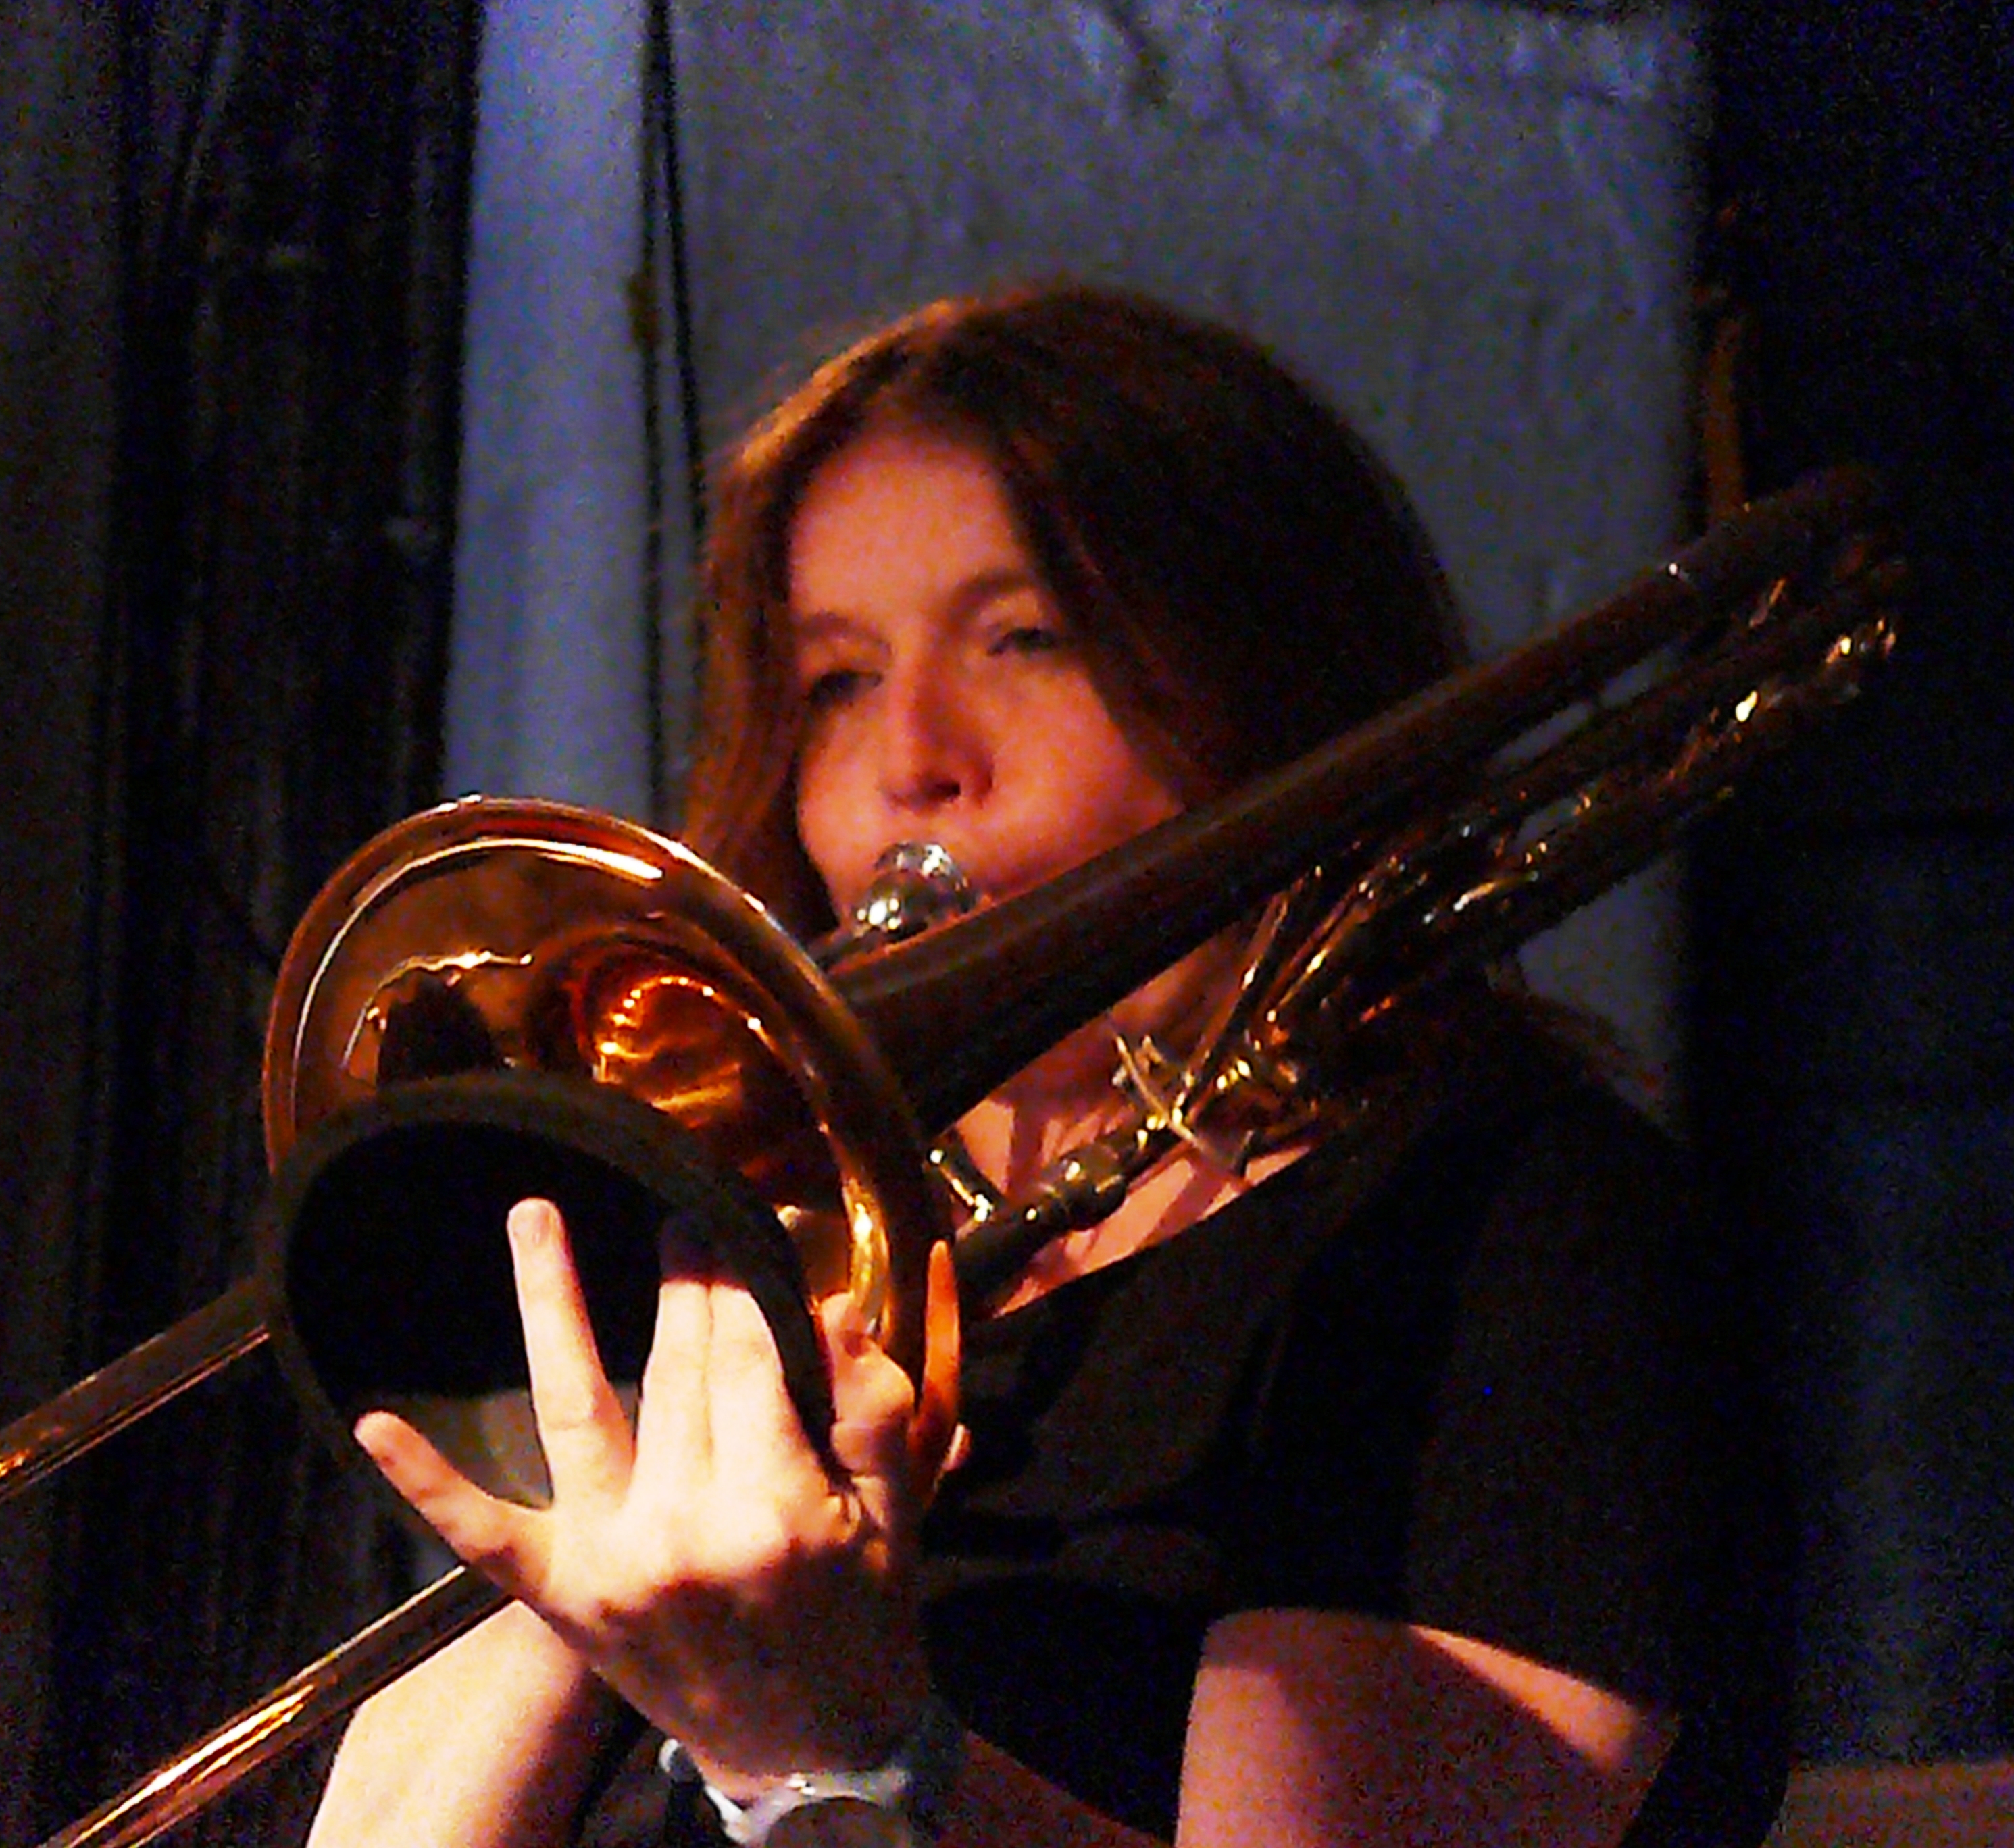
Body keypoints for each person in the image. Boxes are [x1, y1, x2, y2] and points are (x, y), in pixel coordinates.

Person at [307, 283, 1792, 1848]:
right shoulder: (808, 1275)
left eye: (1027, 637)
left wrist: (837, 1755)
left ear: (1277, 678)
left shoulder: (1520, 1238)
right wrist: (597, 1553)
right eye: (836, 679)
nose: (913, 757)